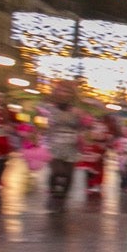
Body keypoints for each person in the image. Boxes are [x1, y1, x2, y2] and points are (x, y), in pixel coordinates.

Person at [39, 80, 85, 211]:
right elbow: (39, 110)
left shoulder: (77, 110)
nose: (64, 93)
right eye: (61, 90)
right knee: (58, 171)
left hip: (71, 145)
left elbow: (83, 126)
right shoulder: (50, 107)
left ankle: (62, 198)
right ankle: (53, 194)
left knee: (68, 175)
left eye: (67, 91)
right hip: (54, 144)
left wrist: (81, 119)